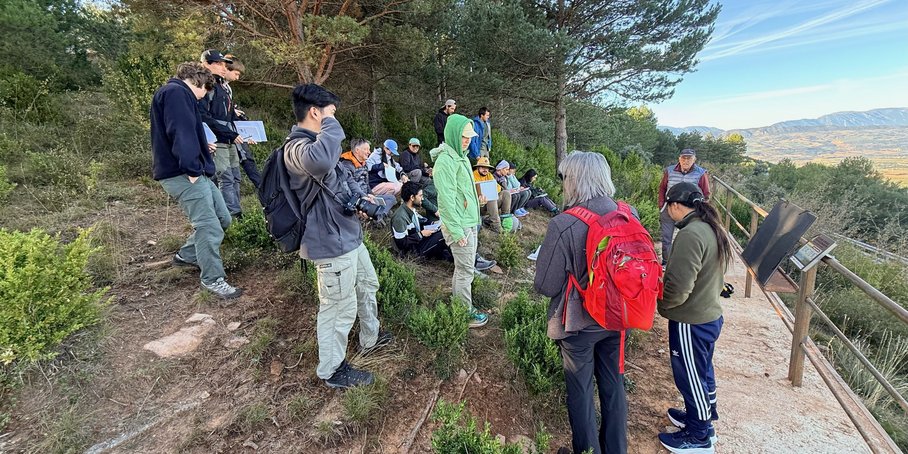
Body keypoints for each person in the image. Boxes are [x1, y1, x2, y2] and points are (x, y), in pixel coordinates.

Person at [282, 84, 392, 388]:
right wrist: (329, 122)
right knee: (337, 307)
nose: (334, 118)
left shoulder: (319, 146)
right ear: (315, 112)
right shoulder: (297, 148)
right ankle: (331, 370)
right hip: (329, 243)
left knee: (367, 285)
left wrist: (363, 203)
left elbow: (341, 180)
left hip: (348, 236)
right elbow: (319, 162)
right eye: (330, 112)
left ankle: (370, 338)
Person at [534, 151, 628, 454]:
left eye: (565, 177)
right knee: (614, 388)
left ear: (574, 180)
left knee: (581, 392)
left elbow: (545, 286)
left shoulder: (563, 224)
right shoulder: (629, 212)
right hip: (619, 316)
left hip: (579, 323)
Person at [151, 62, 241, 299]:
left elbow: (187, 132)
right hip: (184, 174)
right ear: (199, 83)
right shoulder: (176, 93)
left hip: (194, 170)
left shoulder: (177, 94)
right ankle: (213, 279)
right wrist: (191, 166)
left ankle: (187, 255)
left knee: (223, 218)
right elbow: (180, 131)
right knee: (209, 226)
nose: (203, 98)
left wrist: (202, 147)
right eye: (204, 92)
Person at [656, 181, 729, 454]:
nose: (668, 213)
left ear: (676, 205)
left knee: (690, 376)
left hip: (691, 320)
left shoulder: (690, 234)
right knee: (703, 372)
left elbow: (678, 286)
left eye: (668, 208)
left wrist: (662, 305)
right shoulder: (710, 227)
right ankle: (704, 420)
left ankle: (698, 436)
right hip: (708, 315)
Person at [430, 114, 490, 328]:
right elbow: (446, 201)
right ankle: (465, 315)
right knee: (465, 270)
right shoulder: (446, 162)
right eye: (464, 136)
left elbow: (462, 193)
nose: (467, 140)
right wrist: (456, 231)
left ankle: (460, 306)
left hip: (468, 221)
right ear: (454, 134)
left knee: (463, 268)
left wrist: (477, 201)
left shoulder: (461, 157)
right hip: (460, 225)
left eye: (469, 137)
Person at [198, 49, 252, 218]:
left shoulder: (222, 86)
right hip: (217, 140)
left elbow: (226, 115)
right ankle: (230, 215)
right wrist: (227, 134)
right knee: (225, 178)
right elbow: (204, 116)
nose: (223, 67)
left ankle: (235, 212)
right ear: (206, 64)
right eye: (219, 64)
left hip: (229, 139)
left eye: (224, 64)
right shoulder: (205, 86)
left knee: (235, 176)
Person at [658, 148, 710, 264]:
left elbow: (706, 194)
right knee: (666, 237)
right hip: (670, 207)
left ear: (694, 159)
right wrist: (661, 205)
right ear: (679, 159)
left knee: (689, 237)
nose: (686, 161)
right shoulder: (669, 171)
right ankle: (667, 262)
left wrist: (700, 211)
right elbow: (662, 188)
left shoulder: (701, 173)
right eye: (683, 158)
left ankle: (687, 262)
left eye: (689, 158)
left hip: (689, 211)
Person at [223, 54, 262, 188]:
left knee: (246, 162)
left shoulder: (228, 88)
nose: (237, 78)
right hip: (224, 135)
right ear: (226, 69)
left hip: (235, 131)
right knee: (228, 176)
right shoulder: (216, 87)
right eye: (236, 73)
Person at [391, 182, 453, 261]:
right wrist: (421, 234)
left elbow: (420, 222)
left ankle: (446, 255)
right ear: (412, 197)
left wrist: (433, 224)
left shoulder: (411, 209)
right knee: (444, 233)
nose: (422, 199)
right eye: (420, 196)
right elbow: (401, 243)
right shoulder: (400, 217)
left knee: (443, 227)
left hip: (418, 242)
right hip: (412, 252)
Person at [339, 138, 395, 216]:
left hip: (367, 196)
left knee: (391, 198)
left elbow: (366, 184)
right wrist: (365, 197)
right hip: (356, 199)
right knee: (383, 207)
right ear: (357, 150)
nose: (369, 152)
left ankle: (379, 215)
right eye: (366, 149)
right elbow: (349, 186)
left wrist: (372, 195)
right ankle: (378, 216)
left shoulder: (364, 164)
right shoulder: (346, 165)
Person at [472, 157, 513, 233]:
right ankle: (496, 225)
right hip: (479, 205)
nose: (485, 170)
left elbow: (498, 188)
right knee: (491, 197)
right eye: (483, 167)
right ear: (478, 167)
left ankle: (505, 218)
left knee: (506, 193)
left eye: (487, 168)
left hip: (489, 204)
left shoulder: (489, 175)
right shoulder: (473, 176)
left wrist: (491, 190)